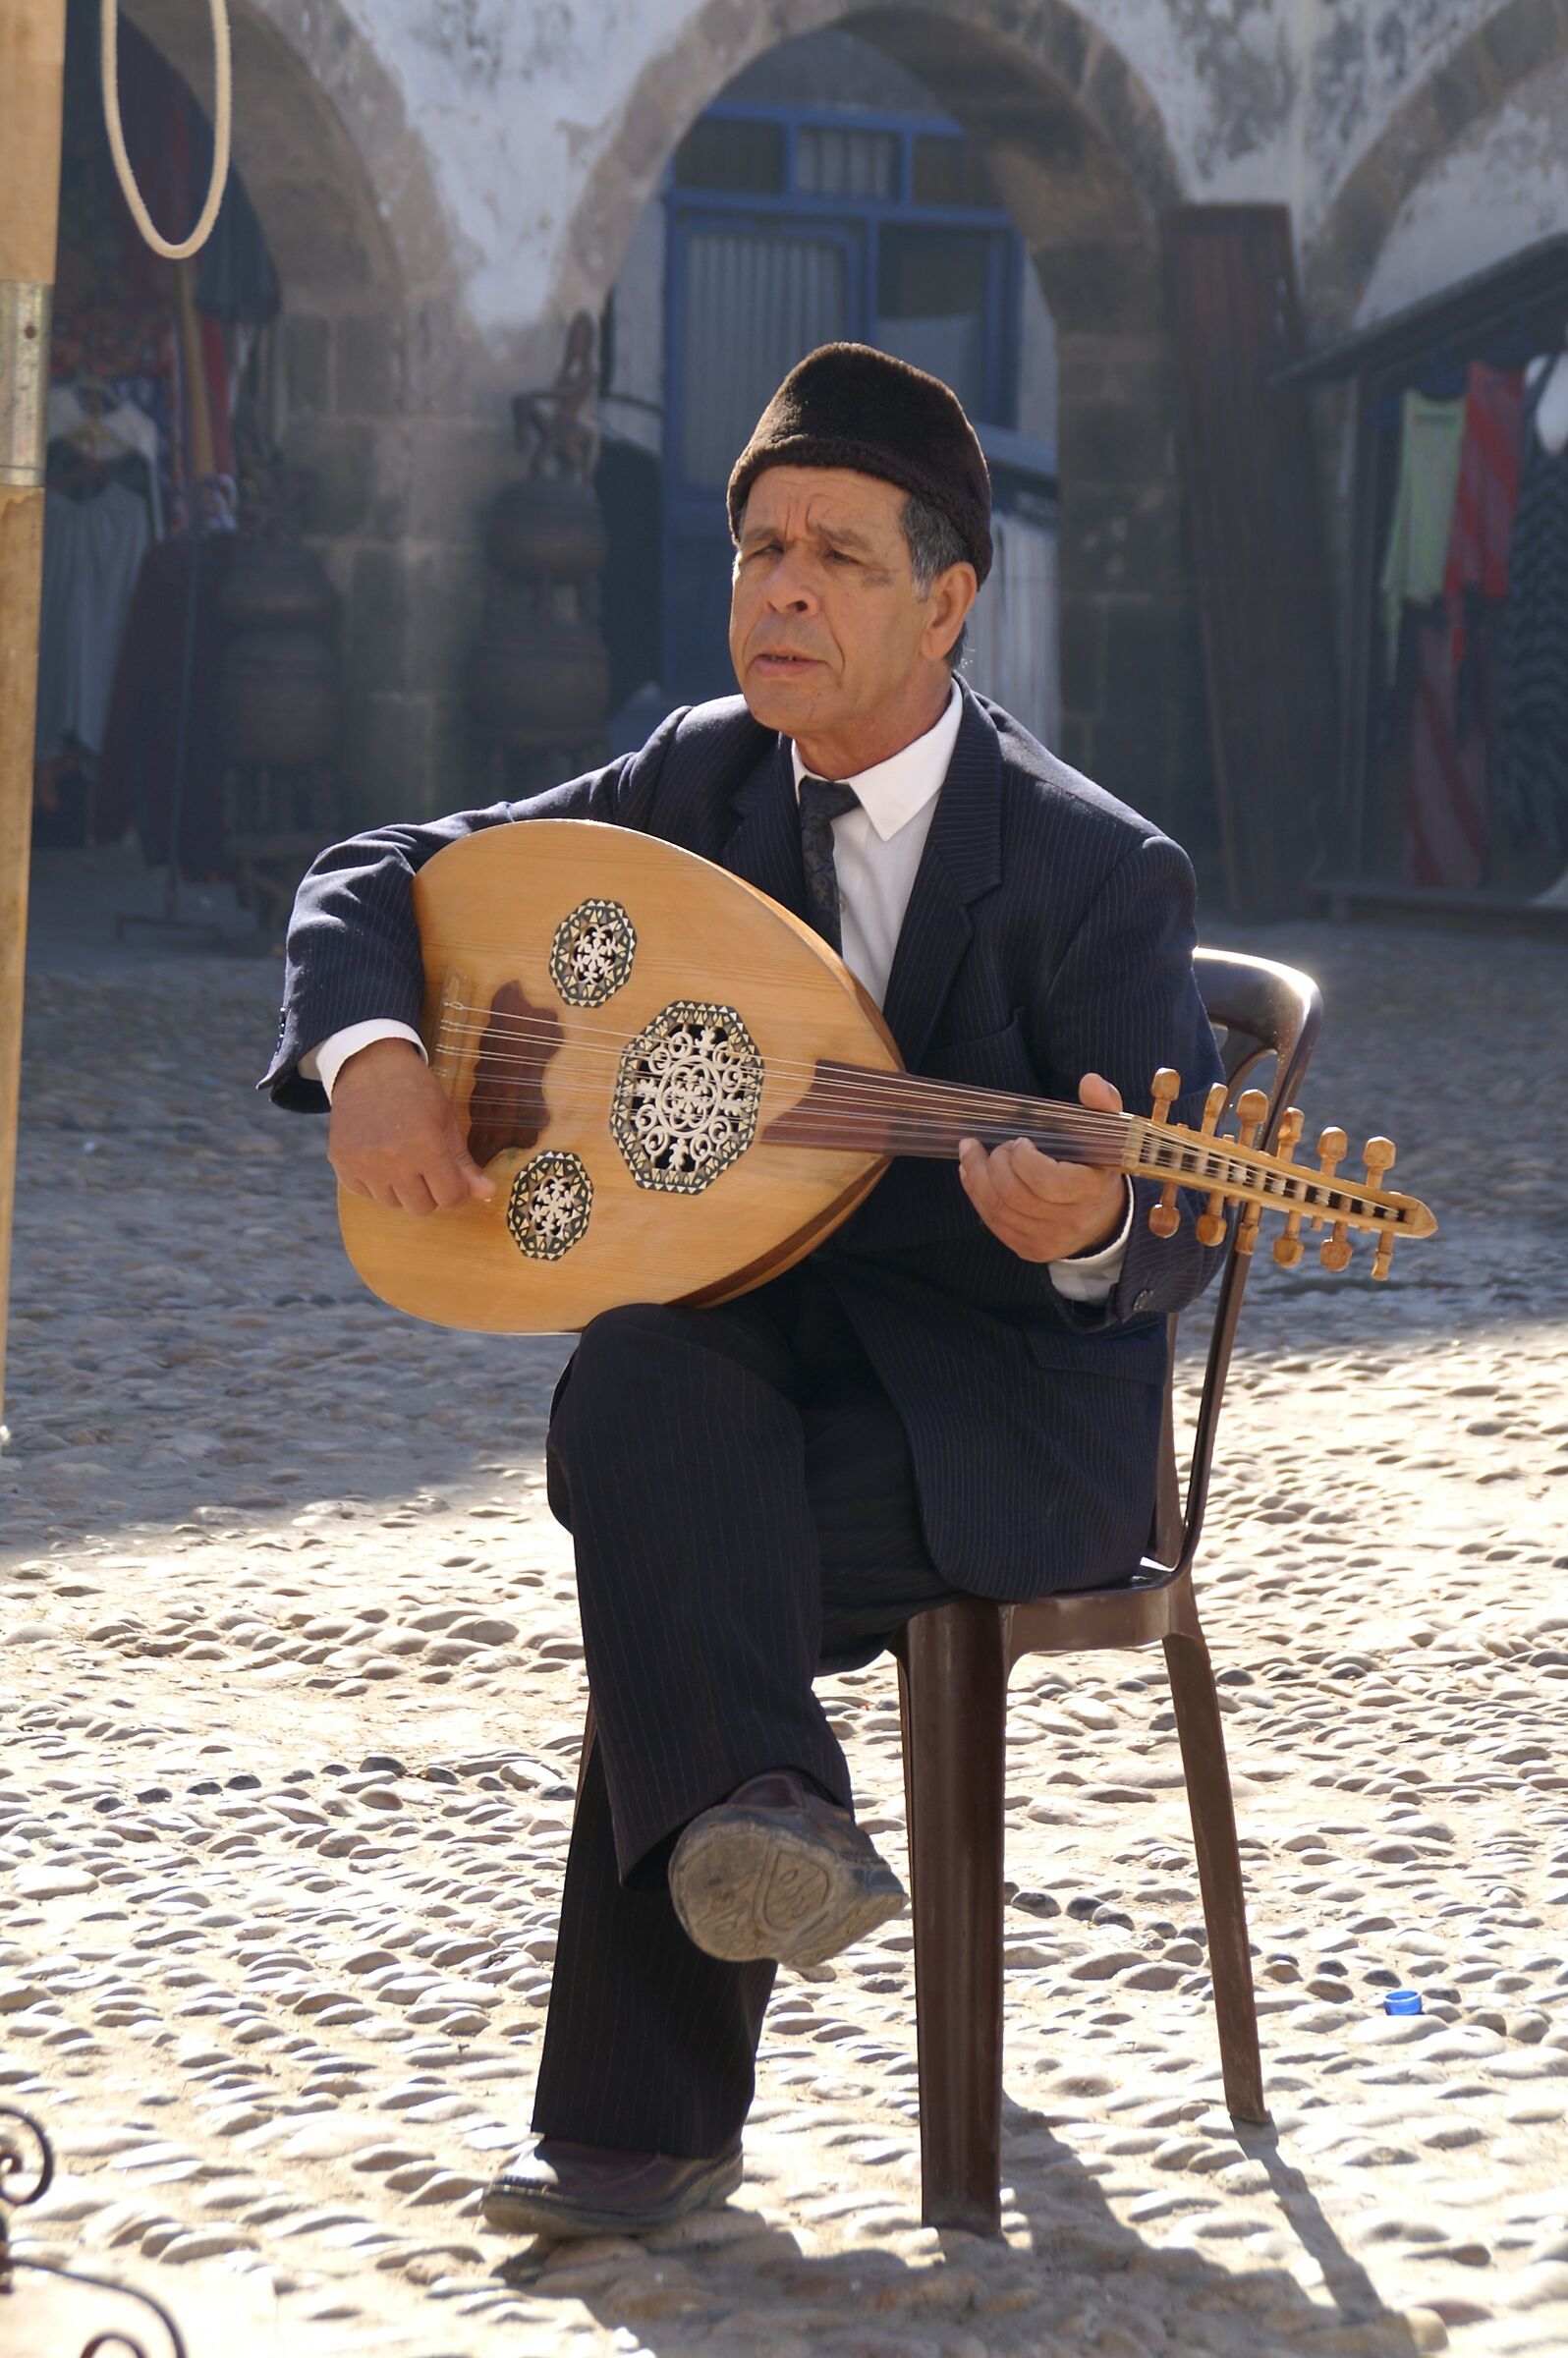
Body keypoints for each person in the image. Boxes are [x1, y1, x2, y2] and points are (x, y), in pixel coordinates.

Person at [262, 344, 1225, 2240]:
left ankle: (638, 2121)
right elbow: (379, 870)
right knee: (638, 1387)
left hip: (1004, 1415)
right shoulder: (693, 778)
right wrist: (374, 1046)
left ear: (950, 602)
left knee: (677, 1515)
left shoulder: (1094, 874)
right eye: (758, 550)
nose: (780, 590)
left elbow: (1175, 1225)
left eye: (839, 559)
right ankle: (765, 1817)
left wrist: (1085, 1232)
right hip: (752, 1360)